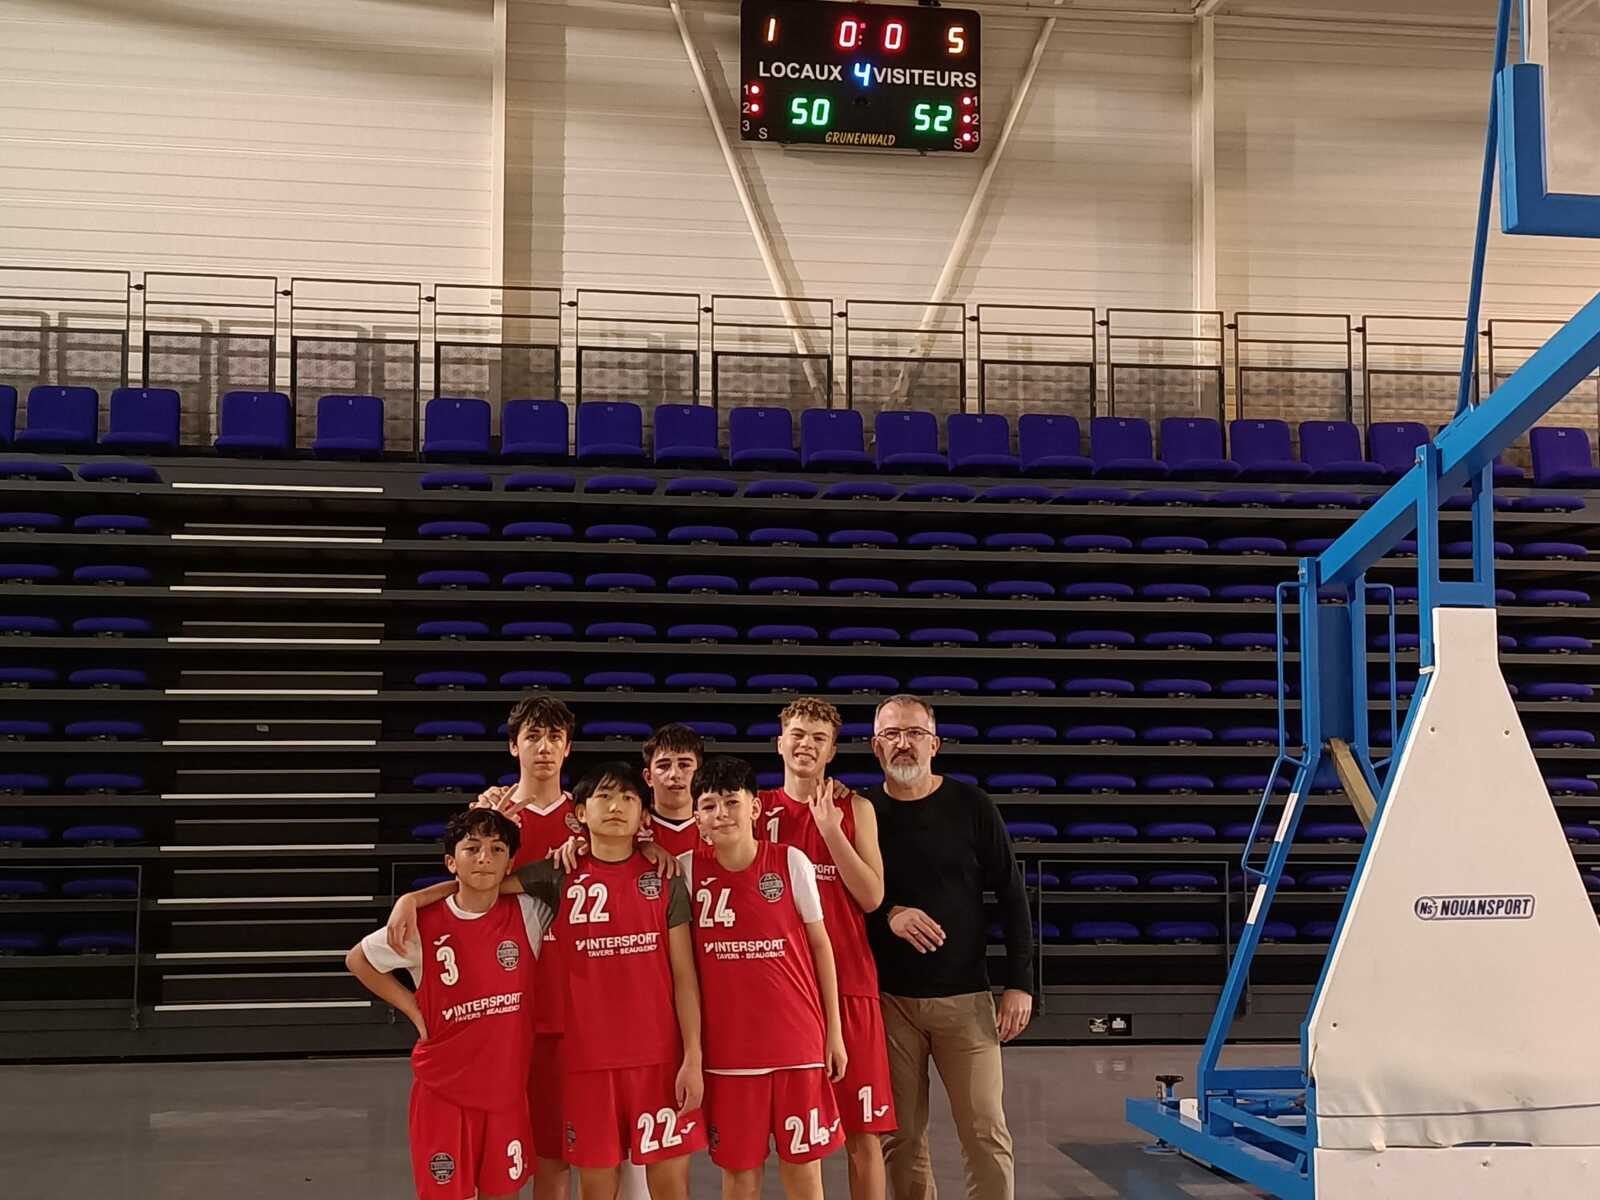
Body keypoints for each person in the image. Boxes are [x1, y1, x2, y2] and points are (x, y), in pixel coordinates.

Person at [385, 764, 707, 1200]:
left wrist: (692, 1055)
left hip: (659, 1057)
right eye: (604, 797)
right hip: (587, 1060)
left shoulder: (665, 877)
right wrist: (412, 898)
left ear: (644, 817)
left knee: (670, 1184)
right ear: (580, 813)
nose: (616, 807)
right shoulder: (557, 873)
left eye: (628, 798)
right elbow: (481, 886)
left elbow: (685, 977)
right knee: (597, 1183)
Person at [865, 695, 1034, 1200]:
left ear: (934, 744)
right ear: (876, 747)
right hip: (890, 1002)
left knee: (985, 1132)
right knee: (900, 1138)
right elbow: (845, 898)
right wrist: (889, 912)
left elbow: (1012, 895)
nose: (903, 743)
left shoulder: (972, 806)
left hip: (965, 998)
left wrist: (1020, 983)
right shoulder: (863, 812)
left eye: (914, 733)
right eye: (892, 734)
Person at [346, 807, 550, 1200]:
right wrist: (412, 1007)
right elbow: (358, 960)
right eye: (471, 849)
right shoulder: (422, 923)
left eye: (496, 849)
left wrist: (413, 895)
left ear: (511, 863)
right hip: (444, 1089)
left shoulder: (529, 913)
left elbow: (563, 873)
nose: (484, 858)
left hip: (505, 1088)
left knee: (503, 1192)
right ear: (450, 862)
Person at [680, 755, 847, 1200]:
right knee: (739, 1176)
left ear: (755, 807)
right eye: (709, 805)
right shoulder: (685, 870)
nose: (721, 814)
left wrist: (833, 1032)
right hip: (729, 1053)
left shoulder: (792, 861)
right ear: (697, 818)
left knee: (804, 1173)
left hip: (797, 1045)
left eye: (731, 802)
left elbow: (822, 948)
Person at [759, 697, 894, 1200]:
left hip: (851, 984)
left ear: (832, 751)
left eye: (819, 738)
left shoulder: (856, 809)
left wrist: (831, 831)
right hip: (787, 994)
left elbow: (872, 896)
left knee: (864, 1134)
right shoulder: (756, 809)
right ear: (780, 743)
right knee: (796, 1139)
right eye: (797, 734)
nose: (806, 745)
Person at [459, 692, 578, 1200]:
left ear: (568, 747)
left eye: (554, 737)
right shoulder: (490, 817)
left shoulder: (589, 817)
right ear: (513, 746)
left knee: (554, 1151)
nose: (543, 747)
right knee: (495, 1153)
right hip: (499, 1004)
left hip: (567, 1006)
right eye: (532, 736)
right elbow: (465, 890)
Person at [641, 723, 705, 855]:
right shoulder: (630, 832)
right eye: (664, 766)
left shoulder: (718, 830)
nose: (675, 774)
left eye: (684, 765)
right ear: (648, 777)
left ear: (699, 774)